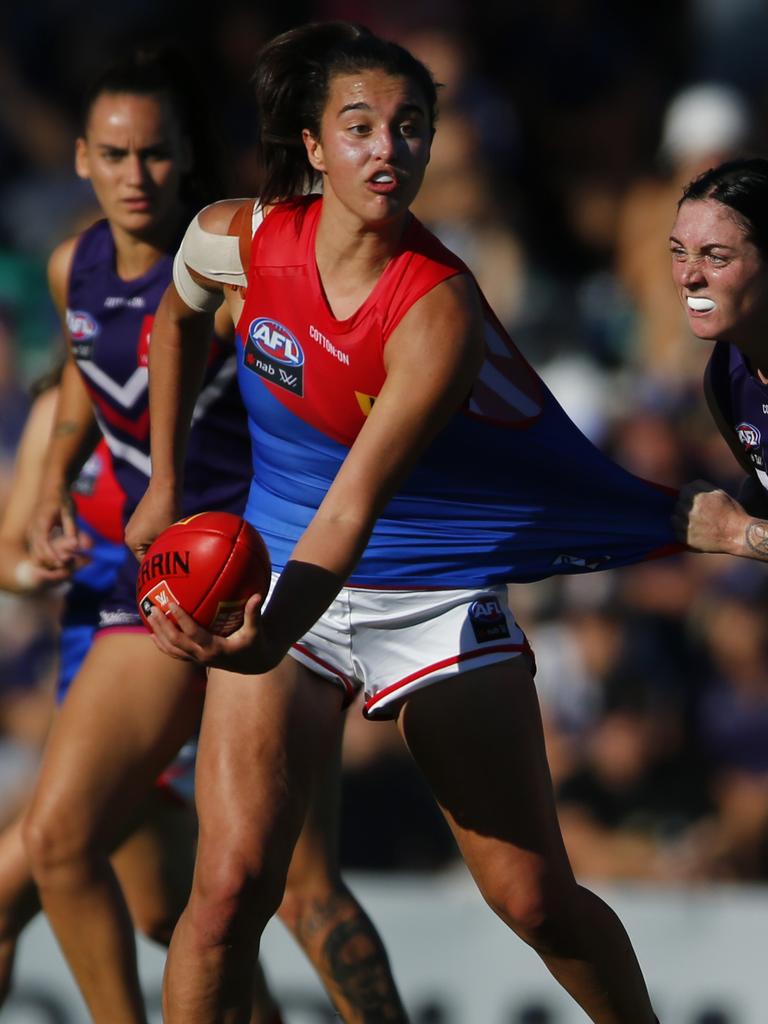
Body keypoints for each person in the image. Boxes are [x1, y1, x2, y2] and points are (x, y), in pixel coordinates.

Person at [126, 22, 677, 1023]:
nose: (391, 148)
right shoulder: (233, 239)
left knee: (534, 899)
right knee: (227, 893)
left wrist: (267, 638)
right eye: (362, 126)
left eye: (411, 127)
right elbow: (172, 318)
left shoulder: (439, 308)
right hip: (286, 576)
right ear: (314, 147)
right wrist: (166, 485)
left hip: (426, 587)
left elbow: (355, 503)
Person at [21, 48, 407, 1024]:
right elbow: (81, 382)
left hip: (218, 574)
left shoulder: (237, 276)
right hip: (132, 577)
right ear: (80, 158)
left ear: (186, 156)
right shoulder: (77, 264)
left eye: (155, 154)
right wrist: (47, 486)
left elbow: (324, 393)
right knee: (184, 907)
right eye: (115, 154)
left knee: (103, 856)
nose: (136, 174)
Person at [0, 366, 201, 1008]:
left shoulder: (192, 402)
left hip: (158, 667)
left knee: (15, 887)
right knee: (168, 916)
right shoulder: (55, 411)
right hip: (88, 680)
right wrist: (35, 565)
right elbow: (8, 553)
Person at [669, 157, 768, 561]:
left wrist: (734, 532)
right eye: (678, 252)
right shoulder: (726, 375)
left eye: (716, 257)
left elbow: (738, 529)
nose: (689, 276)